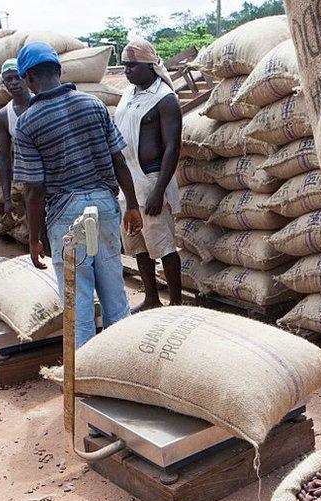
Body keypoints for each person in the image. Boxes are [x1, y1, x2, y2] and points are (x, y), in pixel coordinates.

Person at [12, 43, 142, 348]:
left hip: (66, 215)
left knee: (77, 301)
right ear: (58, 71)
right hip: (105, 205)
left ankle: (83, 374)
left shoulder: (27, 123)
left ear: (28, 78)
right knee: (115, 294)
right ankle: (121, 366)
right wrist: (132, 205)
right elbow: (118, 160)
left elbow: (33, 189)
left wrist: (33, 239)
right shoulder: (93, 104)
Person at [114, 38, 184, 311]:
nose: (127, 71)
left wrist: (159, 190)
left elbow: (172, 147)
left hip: (152, 180)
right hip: (128, 184)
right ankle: (152, 298)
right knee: (138, 244)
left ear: (149, 66)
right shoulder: (126, 96)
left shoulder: (164, 99)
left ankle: (176, 301)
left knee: (163, 244)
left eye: (132, 66)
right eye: (125, 66)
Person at [0, 58, 33, 222]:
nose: (14, 83)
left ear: (26, 77)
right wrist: (7, 197)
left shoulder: (42, 103)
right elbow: (3, 156)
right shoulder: (4, 116)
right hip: (30, 182)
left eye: (18, 77)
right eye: (8, 80)